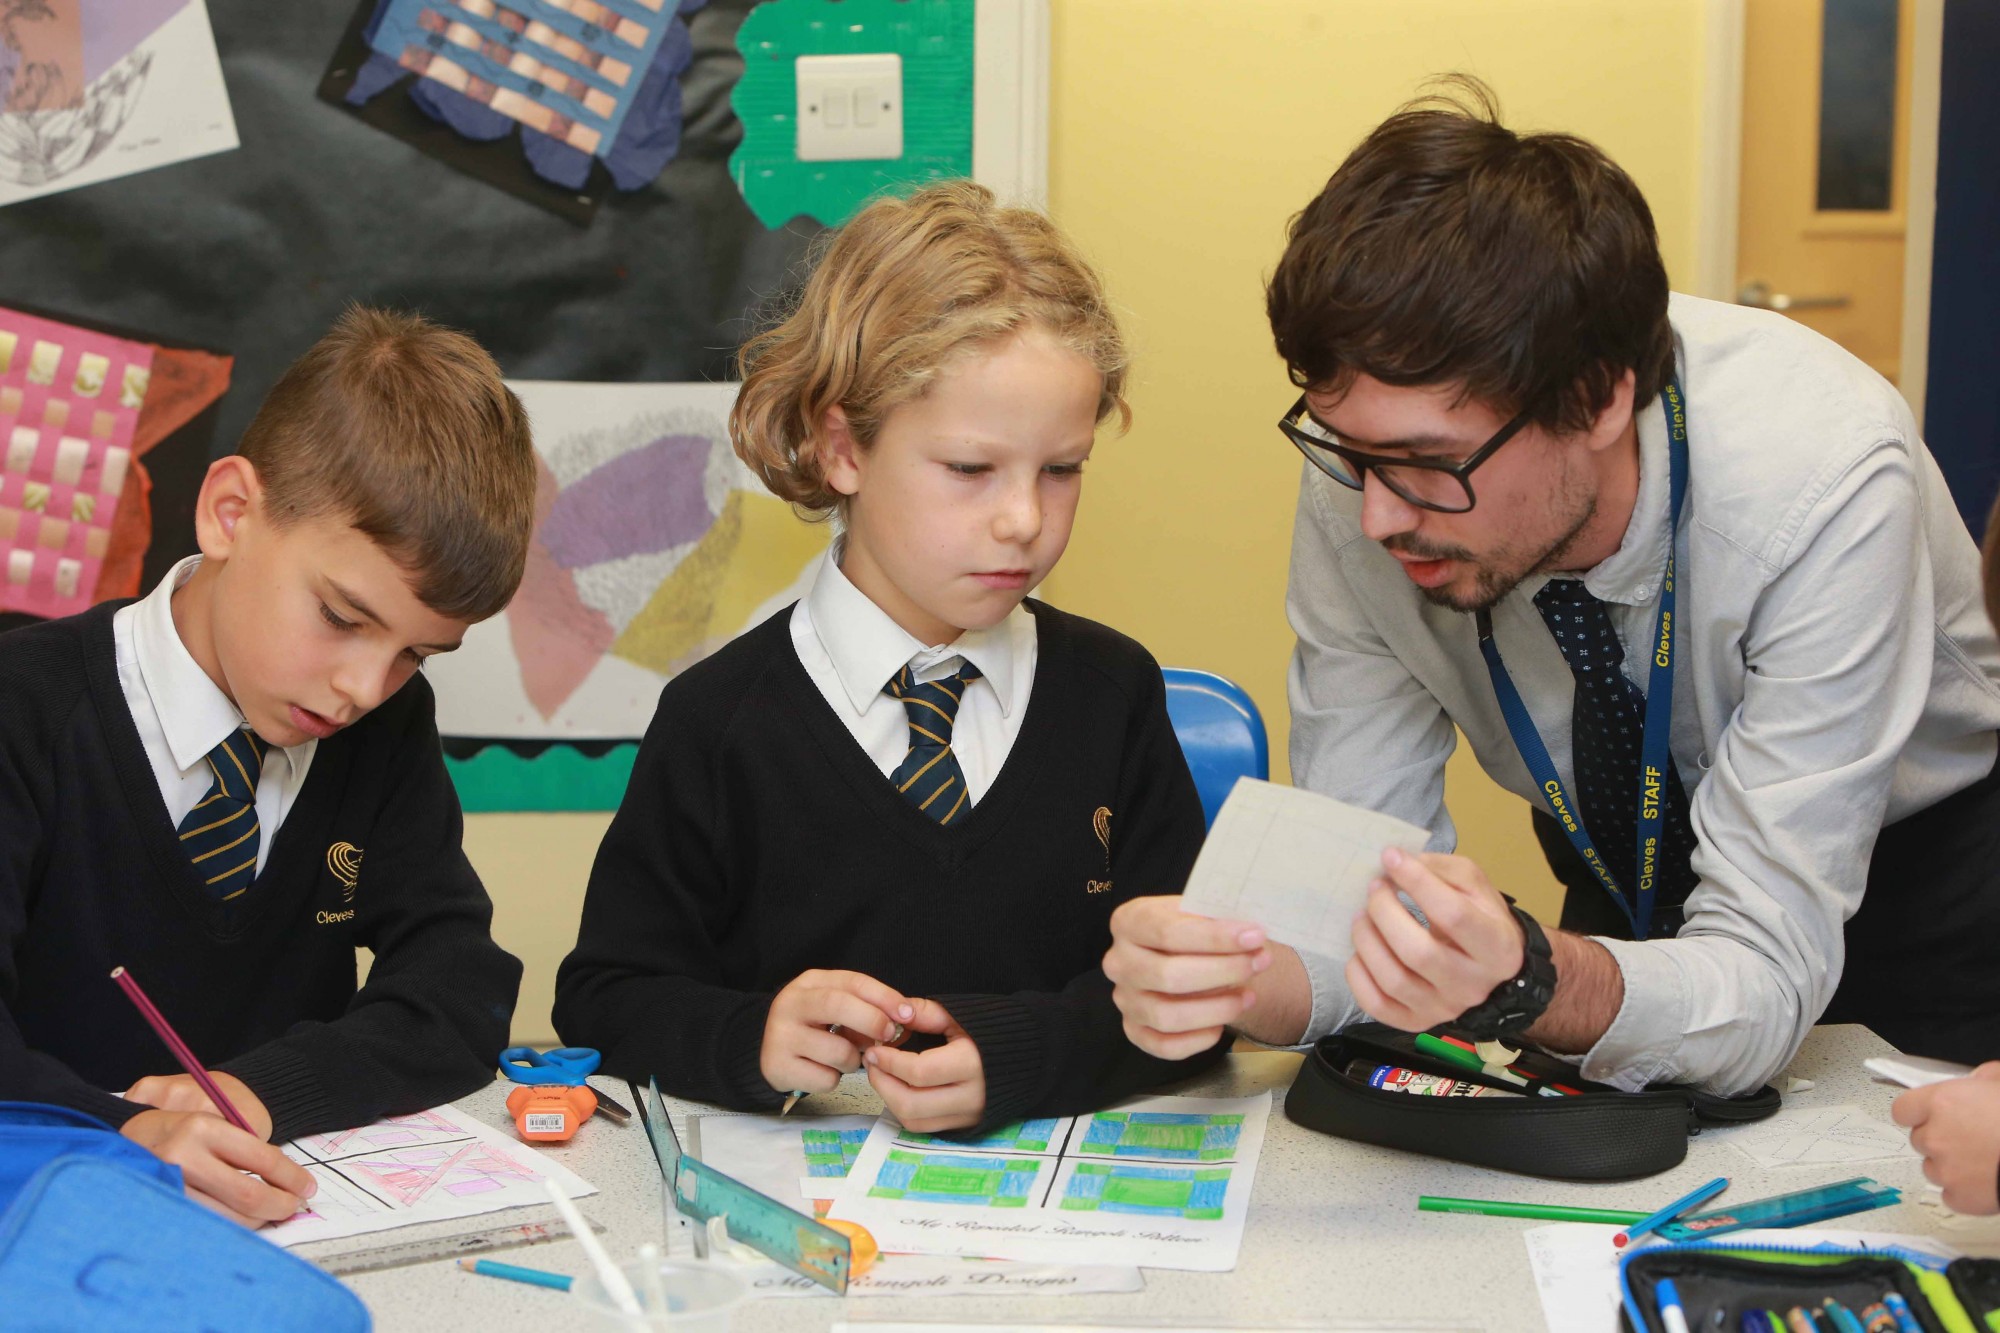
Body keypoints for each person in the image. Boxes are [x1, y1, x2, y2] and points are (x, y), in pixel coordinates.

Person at [1103, 78, 2000, 1097]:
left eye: (1426, 462)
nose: (1376, 516)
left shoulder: (1824, 478)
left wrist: (1526, 977)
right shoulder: (1372, 479)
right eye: (1349, 451)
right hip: (1614, 858)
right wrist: (1245, 981)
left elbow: (1759, 974)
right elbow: (1358, 896)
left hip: (1911, 882)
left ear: (1597, 400)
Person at [553, 181, 1216, 1134]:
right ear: (843, 450)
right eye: (970, 469)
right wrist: (750, 1037)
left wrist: (1025, 1053)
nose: (1024, 518)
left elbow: (1194, 1005)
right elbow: (604, 1000)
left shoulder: (1113, 694)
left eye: (1062, 469)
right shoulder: (717, 721)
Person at [0, 307, 535, 1227]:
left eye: (415, 654)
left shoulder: (383, 727)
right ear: (231, 513)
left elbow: (460, 988)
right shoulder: (23, 708)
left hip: (282, 1233)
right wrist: (121, 1132)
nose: (364, 687)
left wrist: (261, 1092)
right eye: (342, 616)